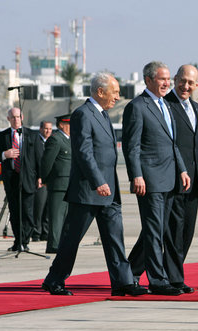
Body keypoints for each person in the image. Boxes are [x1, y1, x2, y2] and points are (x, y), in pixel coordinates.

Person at [42, 72, 147, 297]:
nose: (118, 97)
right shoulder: (83, 114)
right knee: (72, 239)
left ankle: (123, 282)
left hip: (108, 190)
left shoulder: (103, 114)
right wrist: (98, 181)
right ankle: (54, 279)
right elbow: (83, 152)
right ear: (100, 91)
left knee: (114, 237)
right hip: (88, 190)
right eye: (115, 92)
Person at [123, 61, 190, 296]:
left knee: (158, 230)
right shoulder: (137, 107)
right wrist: (136, 175)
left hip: (170, 177)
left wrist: (181, 169)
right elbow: (132, 147)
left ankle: (128, 273)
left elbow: (172, 143)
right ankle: (158, 280)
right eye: (162, 79)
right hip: (150, 179)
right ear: (148, 80)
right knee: (153, 231)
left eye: (168, 78)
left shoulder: (166, 106)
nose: (167, 83)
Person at [163, 65, 198, 294]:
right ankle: (174, 278)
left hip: (193, 181)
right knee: (173, 231)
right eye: (182, 81)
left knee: (187, 230)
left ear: (197, 85)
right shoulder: (165, 105)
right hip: (173, 178)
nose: (186, 86)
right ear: (175, 79)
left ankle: (133, 269)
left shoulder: (197, 109)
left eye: (191, 83)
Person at [0, 108, 39, 252]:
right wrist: (5, 154)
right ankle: (18, 242)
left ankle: (25, 240)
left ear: (22, 117)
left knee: (28, 213)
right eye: (13, 117)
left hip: (28, 179)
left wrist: (41, 177)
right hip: (11, 179)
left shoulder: (31, 135)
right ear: (8, 119)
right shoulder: (2, 136)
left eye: (18, 117)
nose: (16, 120)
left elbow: (38, 157)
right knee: (15, 211)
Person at [40, 114, 71, 253]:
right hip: (58, 184)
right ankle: (53, 246)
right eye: (70, 124)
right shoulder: (55, 139)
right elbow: (47, 163)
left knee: (66, 217)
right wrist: (46, 179)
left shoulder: (70, 140)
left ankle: (62, 244)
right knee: (56, 217)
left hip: (70, 184)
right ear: (62, 125)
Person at [32, 120, 52, 242]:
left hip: (51, 180)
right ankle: (36, 233)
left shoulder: (52, 141)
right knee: (38, 208)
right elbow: (34, 162)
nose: (48, 131)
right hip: (39, 181)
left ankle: (45, 233)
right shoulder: (35, 142)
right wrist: (38, 177)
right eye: (45, 129)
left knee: (48, 209)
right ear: (40, 129)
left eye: (50, 129)